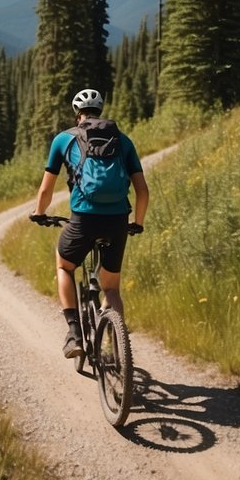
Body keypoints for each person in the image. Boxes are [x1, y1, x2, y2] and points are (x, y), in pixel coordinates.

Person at [30, 88, 148, 359]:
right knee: (111, 287)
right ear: (100, 112)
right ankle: (112, 345)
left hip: (83, 218)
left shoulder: (63, 140)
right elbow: (143, 191)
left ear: (77, 114)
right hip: (118, 220)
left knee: (64, 264)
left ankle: (74, 333)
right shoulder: (123, 141)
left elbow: (46, 190)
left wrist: (39, 213)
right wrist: (137, 222)